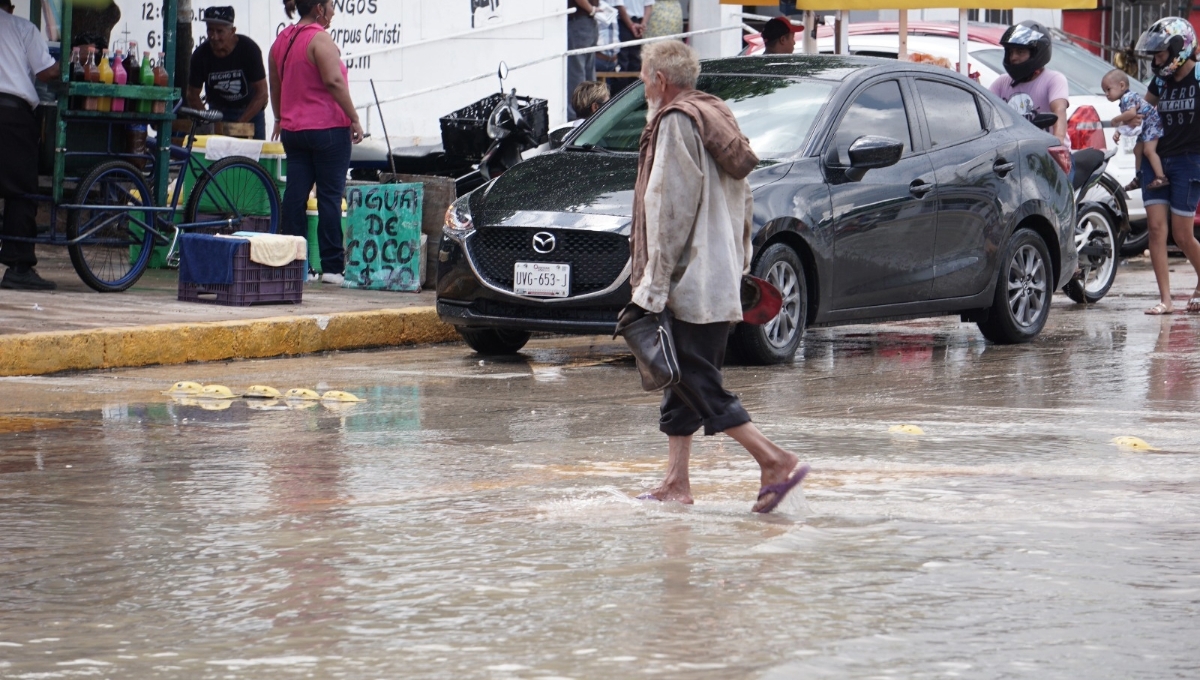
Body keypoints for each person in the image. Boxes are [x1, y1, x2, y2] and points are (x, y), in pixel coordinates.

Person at [619, 40, 809, 512]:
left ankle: (774, 459)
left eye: (644, 78)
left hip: (687, 278)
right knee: (679, 382)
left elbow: (669, 210)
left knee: (696, 380)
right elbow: (746, 203)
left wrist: (653, 286)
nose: (643, 85)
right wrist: (739, 267)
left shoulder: (676, 121)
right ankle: (675, 483)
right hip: (718, 273)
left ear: (660, 80)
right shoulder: (716, 115)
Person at [270, 0, 364, 285]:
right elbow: (334, 81)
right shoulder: (319, 39)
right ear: (319, 9)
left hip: (294, 131)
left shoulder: (281, 41)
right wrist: (355, 118)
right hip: (329, 130)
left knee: (295, 196)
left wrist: (278, 117)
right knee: (329, 199)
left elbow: (276, 83)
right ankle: (333, 268)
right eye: (332, 6)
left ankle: (296, 266)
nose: (334, 11)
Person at [1133, 17, 1200, 315]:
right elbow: (1146, 111)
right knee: (1156, 230)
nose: (1157, 61)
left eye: (1160, 54)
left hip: (1190, 161)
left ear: (1179, 49)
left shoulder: (1199, 75)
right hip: (1156, 159)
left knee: (1182, 235)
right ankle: (1166, 300)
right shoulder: (1160, 80)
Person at [0, 0, 59, 290]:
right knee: (21, 190)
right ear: (10, 7)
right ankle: (19, 266)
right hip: (11, 116)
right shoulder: (23, 27)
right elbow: (46, 72)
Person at [187, 6, 269, 140]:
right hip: (217, 112)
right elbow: (192, 94)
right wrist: (209, 121)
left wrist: (240, 123)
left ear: (232, 31)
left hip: (250, 111)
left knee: (254, 158)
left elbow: (262, 93)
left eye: (220, 31)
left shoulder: (249, 49)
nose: (214, 37)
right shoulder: (200, 55)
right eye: (210, 30)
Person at [989, 20, 1069, 147]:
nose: (1013, 57)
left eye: (1020, 52)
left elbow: (1059, 109)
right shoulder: (1001, 83)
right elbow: (985, 109)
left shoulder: (1053, 79)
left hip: (1051, 155)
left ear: (1037, 53)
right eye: (1011, 52)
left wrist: (1058, 141)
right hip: (1016, 152)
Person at [1102, 69, 1166, 191]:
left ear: (1121, 85)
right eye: (1104, 91)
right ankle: (1138, 177)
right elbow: (1128, 118)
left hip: (1152, 124)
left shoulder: (1127, 97)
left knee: (1148, 150)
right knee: (1137, 150)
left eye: (1108, 89)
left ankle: (1160, 177)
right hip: (1145, 126)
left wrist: (1115, 119)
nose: (1106, 94)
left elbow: (1130, 114)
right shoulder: (1125, 99)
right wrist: (1118, 131)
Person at [567, 0, 598, 120]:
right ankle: (592, 114)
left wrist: (591, 9)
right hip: (588, 22)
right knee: (588, 73)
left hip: (579, 20)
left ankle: (577, 118)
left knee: (576, 74)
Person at [613, 0, 652, 75]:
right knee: (622, 59)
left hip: (639, 21)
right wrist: (631, 25)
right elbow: (619, 5)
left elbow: (649, 5)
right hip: (622, 21)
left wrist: (643, 24)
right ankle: (622, 85)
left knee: (636, 59)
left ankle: (633, 84)